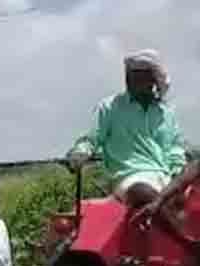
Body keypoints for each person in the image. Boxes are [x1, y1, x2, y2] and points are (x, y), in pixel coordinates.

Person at [68, 50, 188, 208]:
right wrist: (80, 154)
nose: (131, 80)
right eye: (130, 75)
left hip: (164, 177)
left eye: (139, 75)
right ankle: (179, 232)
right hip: (129, 178)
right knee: (141, 192)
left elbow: (175, 150)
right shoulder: (109, 107)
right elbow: (91, 139)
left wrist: (179, 175)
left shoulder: (166, 113)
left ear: (152, 78)